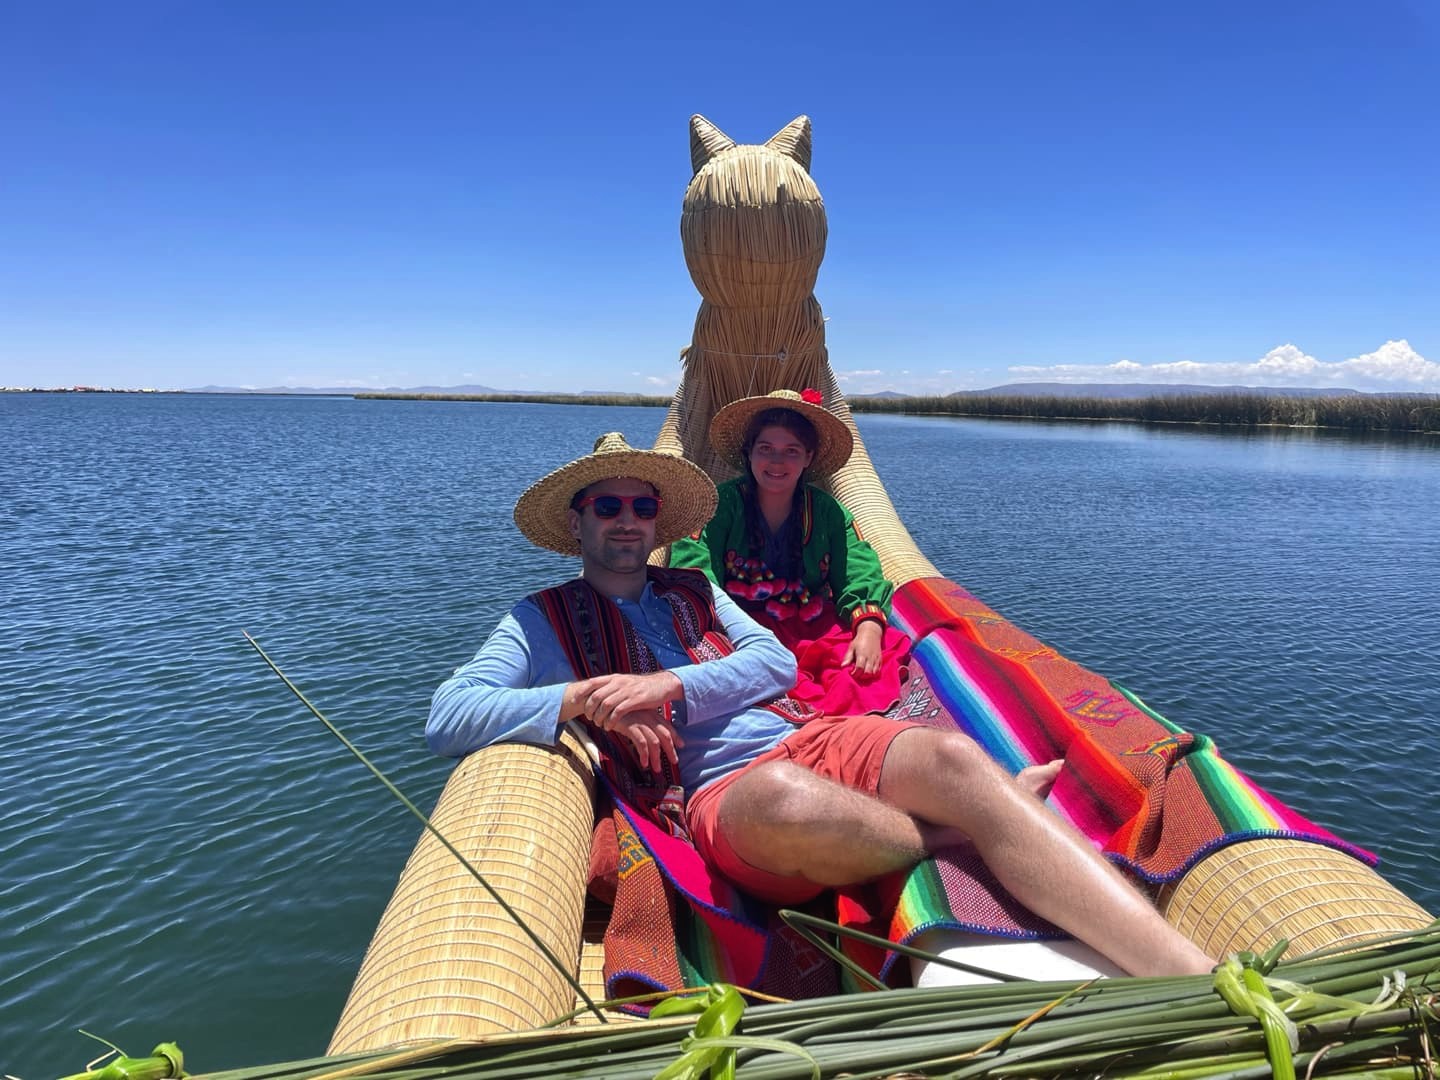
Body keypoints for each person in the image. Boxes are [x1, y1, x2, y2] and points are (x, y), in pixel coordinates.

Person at [427, 432, 1214, 979]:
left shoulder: (692, 590)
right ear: (577, 521)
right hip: (724, 793)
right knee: (785, 798)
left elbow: (772, 662)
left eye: (641, 507)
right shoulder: (542, 619)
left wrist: (670, 686)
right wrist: (582, 697)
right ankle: (975, 826)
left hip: (806, 735)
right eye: (608, 508)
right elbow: (448, 714)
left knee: (951, 754)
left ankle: (1190, 973)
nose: (627, 521)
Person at [669, 388, 911, 715]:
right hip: (738, 627)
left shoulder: (827, 512)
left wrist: (868, 628)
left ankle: (833, 731)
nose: (777, 461)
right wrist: (728, 630)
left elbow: (858, 569)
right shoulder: (717, 506)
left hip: (812, 627)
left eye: (791, 451)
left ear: (808, 457)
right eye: (765, 448)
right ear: (749, 453)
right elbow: (695, 568)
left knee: (859, 674)